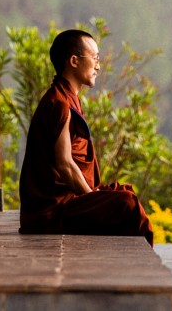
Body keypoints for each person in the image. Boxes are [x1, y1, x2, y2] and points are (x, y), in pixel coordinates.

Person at [18, 29, 155, 244]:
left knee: (123, 192)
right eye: (95, 58)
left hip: (66, 202)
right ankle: (140, 273)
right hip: (53, 210)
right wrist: (92, 198)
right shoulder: (59, 103)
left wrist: (96, 194)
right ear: (74, 60)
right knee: (127, 205)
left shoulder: (68, 98)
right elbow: (65, 165)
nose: (98, 66)